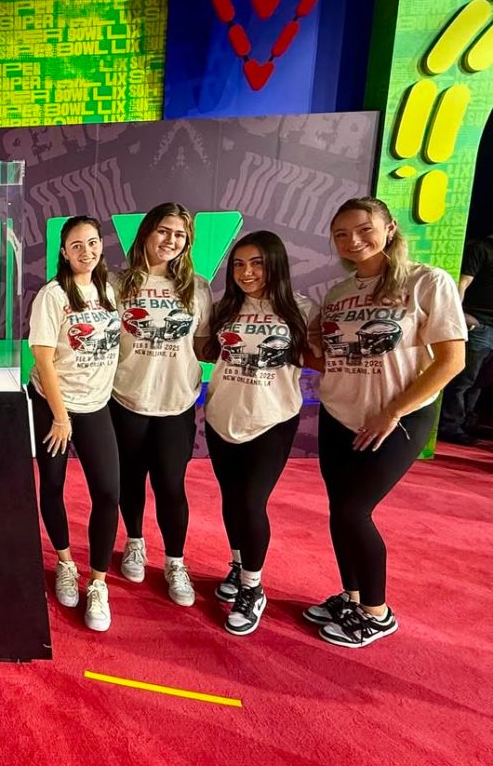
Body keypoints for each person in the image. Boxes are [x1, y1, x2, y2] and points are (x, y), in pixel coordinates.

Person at [308, 196, 466, 648]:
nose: (352, 240)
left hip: (397, 417)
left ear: (389, 227)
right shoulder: (339, 293)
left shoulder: (426, 282)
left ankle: (377, 614)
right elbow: (322, 353)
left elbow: (451, 361)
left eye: (362, 229)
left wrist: (392, 410)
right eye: (341, 234)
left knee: (355, 511)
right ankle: (354, 597)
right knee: (340, 511)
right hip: (339, 413)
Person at [202, 231, 320, 636]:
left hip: (271, 420)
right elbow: (205, 353)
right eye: (238, 264)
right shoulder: (224, 308)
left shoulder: (301, 310)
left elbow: (322, 358)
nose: (247, 272)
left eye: (256, 263)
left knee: (252, 503)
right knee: (232, 501)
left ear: (275, 265)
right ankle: (238, 564)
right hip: (221, 417)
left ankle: (253, 588)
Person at [110, 202, 213, 606]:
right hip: (126, 397)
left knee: (171, 486)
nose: (171, 241)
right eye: (163, 231)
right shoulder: (118, 285)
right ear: (146, 233)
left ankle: (175, 561)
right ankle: (134, 542)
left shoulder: (197, 287)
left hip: (176, 403)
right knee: (130, 481)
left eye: (180, 235)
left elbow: (203, 345)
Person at [28, 217, 122, 631]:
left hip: (96, 405)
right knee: (52, 485)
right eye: (76, 245)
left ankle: (98, 583)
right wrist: (61, 416)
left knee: (108, 492)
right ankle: (65, 563)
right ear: (63, 252)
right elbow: (43, 359)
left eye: (93, 242)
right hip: (55, 406)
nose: (86, 251)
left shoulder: (110, 290)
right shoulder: (52, 295)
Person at [438, 232, 493, 445]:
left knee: (482, 380)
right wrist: (459, 316)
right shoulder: (481, 248)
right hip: (478, 322)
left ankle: (466, 422)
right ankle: (450, 425)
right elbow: (462, 284)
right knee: (464, 379)